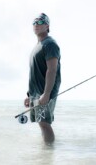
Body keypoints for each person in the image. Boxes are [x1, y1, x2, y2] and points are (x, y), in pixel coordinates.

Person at [24, 13, 61, 144]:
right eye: (34, 23)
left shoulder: (50, 44)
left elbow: (52, 70)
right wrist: (30, 95)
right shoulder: (37, 46)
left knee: (44, 123)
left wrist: (46, 93)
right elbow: (35, 73)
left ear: (47, 26)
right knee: (41, 123)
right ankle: (45, 154)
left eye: (40, 22)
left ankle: (49, 154)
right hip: (36, 93)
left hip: (45, 92)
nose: (36, 25)